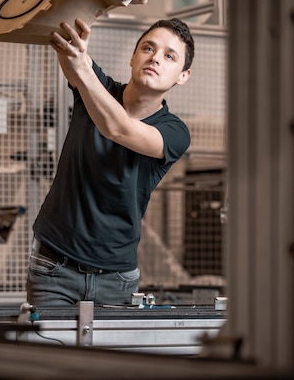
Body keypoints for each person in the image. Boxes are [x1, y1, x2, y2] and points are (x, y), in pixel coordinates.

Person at [27, 15, 194, 306]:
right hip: (54, 265)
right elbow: (66, 41)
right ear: (133, 56)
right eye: (148, 48)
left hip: (116, 277)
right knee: (47, 353)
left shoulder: (175, 132)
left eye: (169, 56)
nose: (155, 58)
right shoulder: (96, 87)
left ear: (182, 75)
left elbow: (118, 129)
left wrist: (83, 70)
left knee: (108, 354)